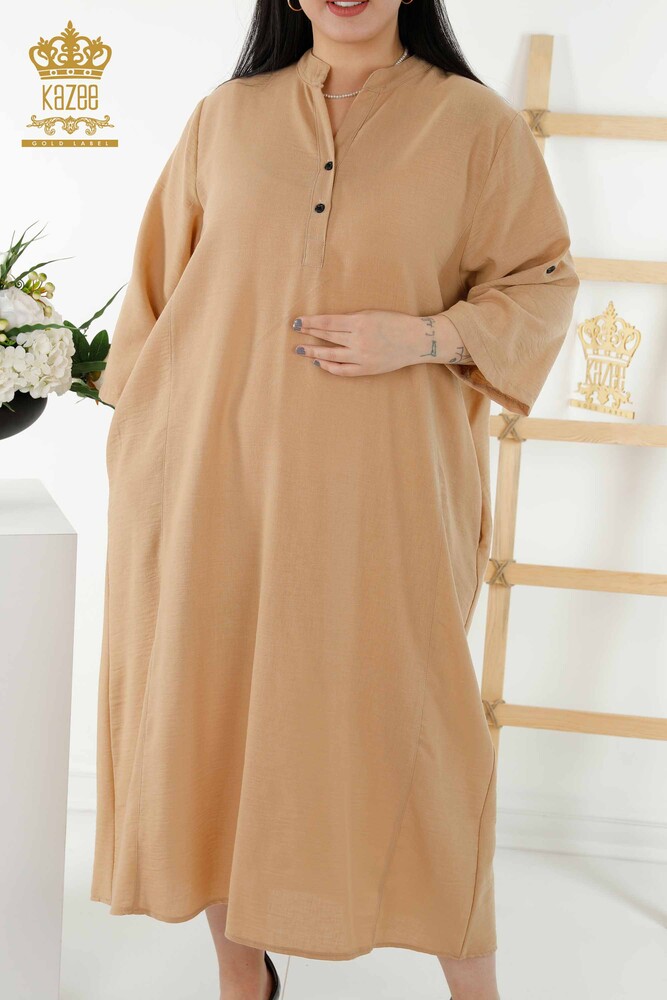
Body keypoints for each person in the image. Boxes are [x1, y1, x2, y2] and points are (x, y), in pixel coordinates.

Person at [90, 2, 580, 999]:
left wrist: (425, 336)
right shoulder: (225, 118)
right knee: (213, 715)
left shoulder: (474, 126)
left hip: (384, 493)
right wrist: (144, 458)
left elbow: (541, 283)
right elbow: (154, 298)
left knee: (418, 730)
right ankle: (242, 978)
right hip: (213, 484)